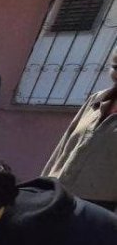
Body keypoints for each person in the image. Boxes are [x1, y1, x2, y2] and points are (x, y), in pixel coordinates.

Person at [42, 50, 117, 211]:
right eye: (116, 67)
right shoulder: (96, 100)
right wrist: (41, 186)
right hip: (57, 194)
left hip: (97, 208)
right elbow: (64, 146)